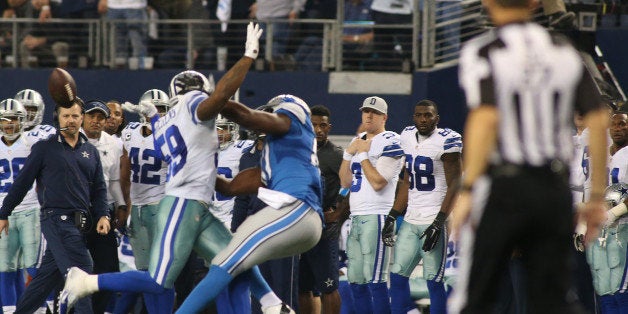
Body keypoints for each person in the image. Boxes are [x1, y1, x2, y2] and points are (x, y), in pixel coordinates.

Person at [60, 23, 297, 314]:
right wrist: (247, 57)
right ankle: (86, 281)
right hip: (182, 203)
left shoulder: (167, 120)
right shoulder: (194, 102)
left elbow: (162, 141)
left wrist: (152, 116)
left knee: (235, 259)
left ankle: (272, 303)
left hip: (194, 201)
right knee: (159, 281)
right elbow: (219, 98)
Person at [448, 0, 610, 310]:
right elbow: (598, 117)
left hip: (505, 187)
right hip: (554, 188)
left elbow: (486, 118)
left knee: (475, 296)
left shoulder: (485, 50)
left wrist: (467, 190)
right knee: (553, 300)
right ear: (536, 2)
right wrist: (597, 197)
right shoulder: (563, 50)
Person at [175, 93, 324, 313]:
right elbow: (230, 187)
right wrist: (191, 166)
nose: (266, 116)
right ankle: (273, 305)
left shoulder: (296, 116)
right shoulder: (280, 156)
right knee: (240, 262)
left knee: (223, 262)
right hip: (305, 224)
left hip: (295, 208)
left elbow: (245, 115)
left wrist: (213, 101)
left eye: (270, 112)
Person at [0, 98, 111, 314]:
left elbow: (99, 189)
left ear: (82, 119)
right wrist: (4, 213)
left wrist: (104, 215)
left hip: (81, 222)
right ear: (57, 119)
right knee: (83, 271)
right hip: (55, 218)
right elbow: (22, 183)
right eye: (66, 116)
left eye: (75, 116)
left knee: (45, 279)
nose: (71, 120)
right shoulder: (44, 148)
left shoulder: (90, 151)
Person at [384, 99, 462, 314]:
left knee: (434, 281)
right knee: (398, 277)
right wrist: (393, 215)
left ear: (436, 118)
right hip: (410, 219)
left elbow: (456, 183)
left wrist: (439, 221)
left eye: (428, 115)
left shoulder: (447, 140)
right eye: (419, 115)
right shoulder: (407, 136)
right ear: (413, 117)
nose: (423, 119)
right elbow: (408, 180)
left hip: (434, 217)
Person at [338, 96, 404, 314]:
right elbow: (344, 181)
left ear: (384, 117)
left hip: (378, 216)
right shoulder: (359, 139)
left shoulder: (391, 140)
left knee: (376, 281)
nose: (368, 115)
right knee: (356, 282)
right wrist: (349, 154)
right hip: (356, 217)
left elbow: (378, 182)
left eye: (374, 112)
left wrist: (363, 153)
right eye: (366, 111)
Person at [113, 89, 170, 314]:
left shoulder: (170, 134)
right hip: (136, 207)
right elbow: (124, 174)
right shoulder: (129, 132)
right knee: (145, 270)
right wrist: (124, 205)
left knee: (164, 270)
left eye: (162, 109)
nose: (157, 113)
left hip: (161, 206)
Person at [81, 99, 128, 313]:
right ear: (83, 117)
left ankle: (98, 310)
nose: (96, 121)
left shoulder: (114, 143)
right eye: (92, 116)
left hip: (104, 212)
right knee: (74, 265)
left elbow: (114, 180)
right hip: (76, 210)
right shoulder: (71, 139)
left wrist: (121, 205)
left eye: (101, 117)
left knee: (108, 267)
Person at [299, 104, 343, 314]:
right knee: (303, 287)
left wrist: (338, 214)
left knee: (329, 288)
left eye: (322, 125)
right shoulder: (299, 151)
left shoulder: (336, 155)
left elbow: (354, 186)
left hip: (325, 231)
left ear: (329, 127)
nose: (318, 129)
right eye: (313, 125)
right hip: (300, 227)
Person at [0, 99, 43, 314]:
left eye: (14, 119)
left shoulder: (33, 143)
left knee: (34, 268)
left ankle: (42, 310)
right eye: (5, 120)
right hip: (3, 215)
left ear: (22, 120)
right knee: (5, 269)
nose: (9, 124)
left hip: (30, 210)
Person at [213, 114, 253, 227]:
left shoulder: (242, 148)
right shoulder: (201, 150)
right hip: (208, 215)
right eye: (215, 129)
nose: (219, 133)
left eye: (224, 128)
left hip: (231, 216)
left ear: (233, 129)